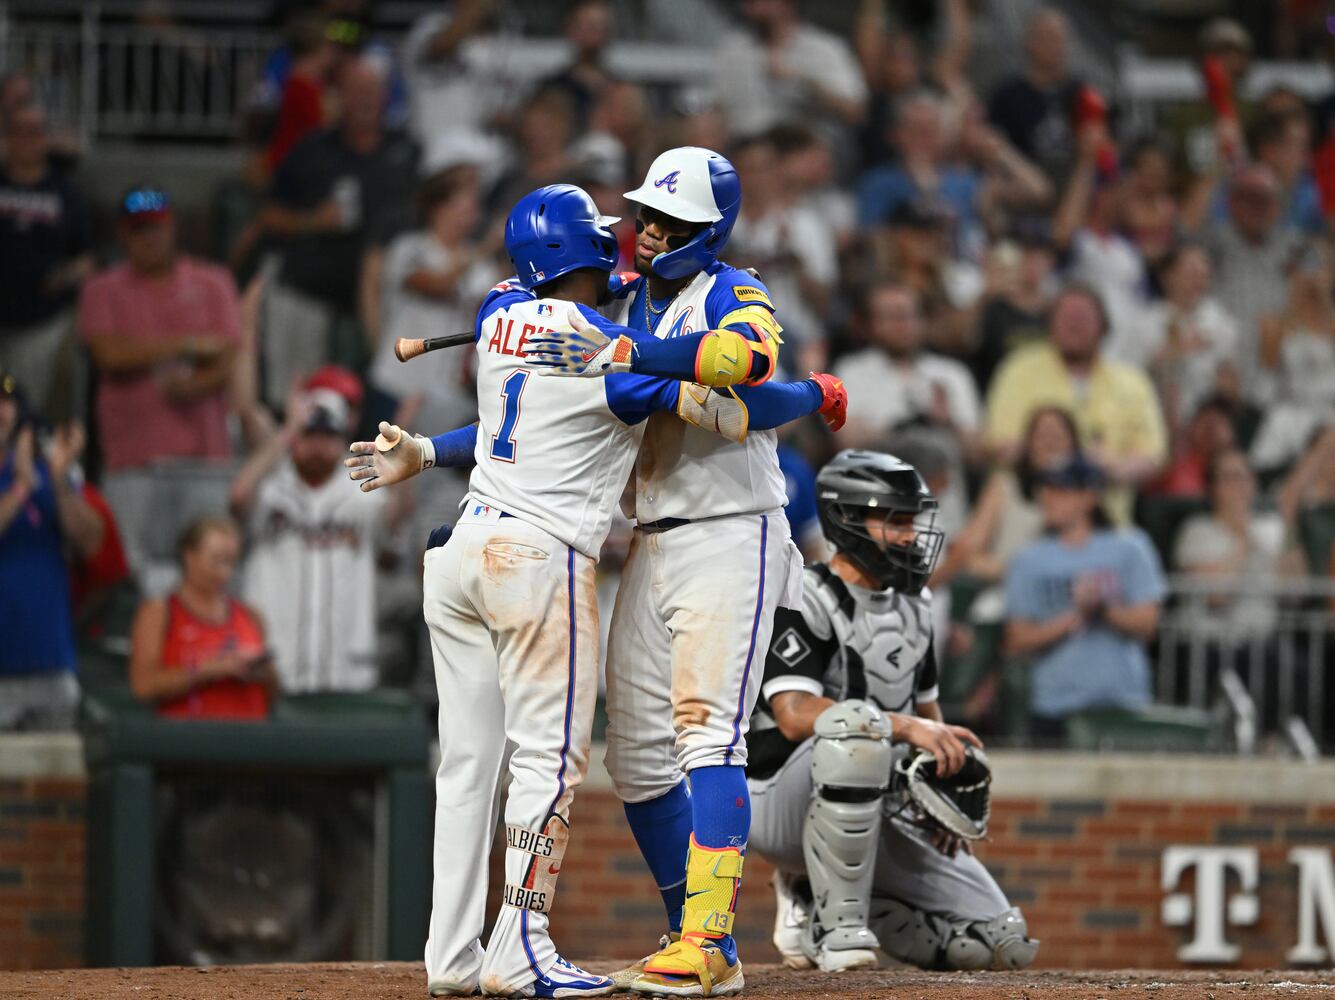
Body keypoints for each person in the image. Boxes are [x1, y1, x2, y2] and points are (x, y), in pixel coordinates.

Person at [343, 183, 841, 998]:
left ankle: (452, 958)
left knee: (466, 766)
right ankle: (519, 945)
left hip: (461, 550)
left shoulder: (501, 307)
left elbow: (557, 347)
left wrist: (430, 449)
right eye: (606, 238)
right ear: (582, 254)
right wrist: (817, 393)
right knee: (549, 762)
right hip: (534, 563)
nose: (627, 243)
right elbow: (744, 401)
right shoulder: (609, 355)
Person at [536, 147, 835, 997]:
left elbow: (747, 365)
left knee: (708, 732)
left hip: (732, 533)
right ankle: (690, 932)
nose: (650, 230)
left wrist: (641, 356)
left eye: (670, 221)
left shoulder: (736, 290)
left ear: (710, 232)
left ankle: (708, 941)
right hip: (652, 538)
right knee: (632, 758)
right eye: (646, 214)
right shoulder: (625, 296)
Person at [745, 450, 1038, 973]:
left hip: (871, 796)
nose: (910, 536)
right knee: (857, 730)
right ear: (848, 519)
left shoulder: (916, 605)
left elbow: (929, 715)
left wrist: (942, 776)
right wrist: (905, 727)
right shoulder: (802, 594)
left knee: (997, 943)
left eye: (914, 521)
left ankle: (817, 899)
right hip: (774, 799)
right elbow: (792, 712)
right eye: (896, 521)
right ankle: (829, 920)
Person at [79, 185, 242, 577]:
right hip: (133, 461)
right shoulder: (102, 289)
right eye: (139, 229)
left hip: (204, 460)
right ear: (123, 234)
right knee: (133, 577)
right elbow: (108, 355)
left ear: (173, 227)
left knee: (208, 575)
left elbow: (229, 357)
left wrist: (193, 385)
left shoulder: (212, 282)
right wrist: (188, 345)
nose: (150, 237)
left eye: (157, 226)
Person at [259, 58, 419, 405]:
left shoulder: (407, 151)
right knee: (295, 398)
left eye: (372, 91)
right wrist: (313, 221)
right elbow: (268, 216)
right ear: (337, 97)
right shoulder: (312, 148)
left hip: (384, 296)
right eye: (355, 90)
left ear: (385, 97)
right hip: (311, 289)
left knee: (387, 396)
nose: (364, 99)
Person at [230, 367, 390, 694]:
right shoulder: (271, 486)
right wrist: (287, 432)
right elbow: (238, 497)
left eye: (327, 437)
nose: (317, 446)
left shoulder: (363, 489)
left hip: (345, 667)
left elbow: (397, 516)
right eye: (309, 435)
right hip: (274, 664)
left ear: (342, 440)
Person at [1003, 455, 1166, 743]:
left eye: (1060, 490)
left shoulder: (1130, 547)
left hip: (1121, 703)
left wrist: (1103, 609)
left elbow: (1148, 623)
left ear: (1089, 496)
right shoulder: (1029, 558)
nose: (1047, 498)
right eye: (1045, 489)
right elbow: (1017, 639)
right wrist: (1074, 617)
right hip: (1055, 705)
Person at [983, 284, 1168, 524]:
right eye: (1066, 317)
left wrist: (1111, 468)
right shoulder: (1018, 369)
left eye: (1083, 317)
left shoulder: (1133, 382)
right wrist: (1059, 462)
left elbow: (1153, 456)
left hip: (1109, 520)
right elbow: (998, 445)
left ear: (1104, 327)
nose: (1074, 324)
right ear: (1050, 324)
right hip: (1030, 514)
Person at [0, 370, 102, 730]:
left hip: (49, 664)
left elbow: (91, 541)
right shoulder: (26, 479)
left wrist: (58, 481)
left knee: (58, 784)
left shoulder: (47, 473)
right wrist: (19, 491)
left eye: (5, 401)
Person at [0, 101, 94, 424]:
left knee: (25, 411)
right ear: (6, 137)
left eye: (35, 132)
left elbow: (86, 258)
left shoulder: (65, 191)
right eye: (19, 132)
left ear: (45, 139)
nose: (27, 140)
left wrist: (62, 277)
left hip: (44, 323)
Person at [129, 515, 275, 720]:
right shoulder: (160, 612)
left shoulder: (250, 614)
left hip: (248, 737)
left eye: (231, 561)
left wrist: (260, 669)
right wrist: (210, 670)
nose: (224, 571)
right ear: (189, 556)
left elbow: (274, 691)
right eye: (216, 560)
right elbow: (143, 686)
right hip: (190, 739)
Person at [934, 405, 1079, 589]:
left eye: (1058, 437)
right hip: (1006, 588)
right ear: (1028, 444)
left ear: (1074, 445)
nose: (1050, 444)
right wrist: (1007, 570)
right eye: (1042, 436)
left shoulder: (1087, 494)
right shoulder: (1005, 484)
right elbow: (966, 550)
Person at [1200, 165, 1303, 402]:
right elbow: (1182, 237)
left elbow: (1323, 274)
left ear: (1278, 207)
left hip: (1280, 379)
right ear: (1232, 203)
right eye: (1251, 198)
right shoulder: (1215, 242)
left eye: (1267, 200)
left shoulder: (1292, 246)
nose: (1260, 208)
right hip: (1225, 373)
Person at [1116, 242, 1239, 432]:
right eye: (1191, 272)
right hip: (1152, 417)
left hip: (1204, 421)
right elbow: (1126, 375)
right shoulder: (1144, 323)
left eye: (1204, 273)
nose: (1198, 279)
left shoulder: (1222, 325)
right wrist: (1170, 353)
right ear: (1167, 276)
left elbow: (1230, 380)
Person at [711, 0, 868, 145]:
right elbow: (716, 106)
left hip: (802, 145)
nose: (751, 8)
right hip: (744, 146)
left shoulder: (825, 48)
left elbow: (855, 112)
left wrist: (804, 83)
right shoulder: (732, 48)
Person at [985, 7, 1084, 184]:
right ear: (1029, 43)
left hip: (1075, 188)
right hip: (1027, 191)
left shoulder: (1081, 93)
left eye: (1060, 38)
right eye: (1048, 37)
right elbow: (993, 148)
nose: (1055, 46)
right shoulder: (1006, 96)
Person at [540, 0, 616, 130]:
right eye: (590, 27)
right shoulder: (552, 89)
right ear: (571, 30)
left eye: (602, 28)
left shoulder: (619, 90)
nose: (597, 35)